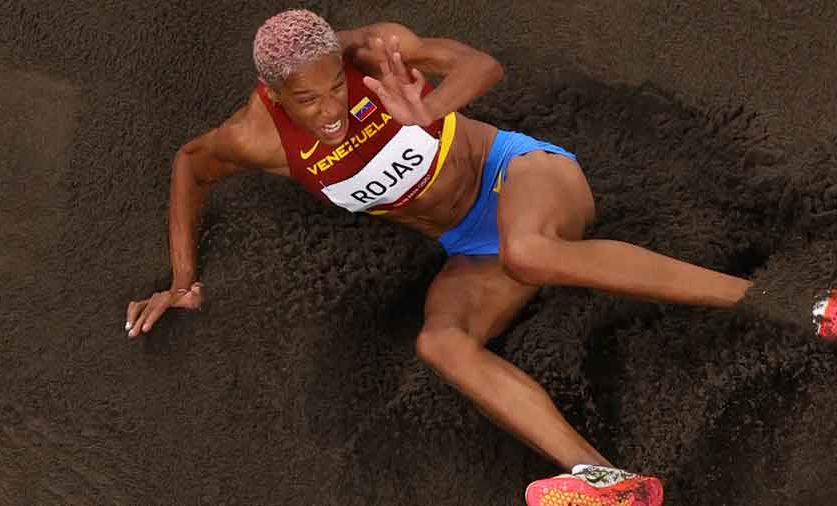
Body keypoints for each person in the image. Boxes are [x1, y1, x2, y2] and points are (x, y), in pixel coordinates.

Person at [125, 9, 835, 506]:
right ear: (273, 96)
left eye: (335, 87)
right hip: (469, 244)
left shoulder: (377, 50)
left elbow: (479, 64)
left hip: (526, 176)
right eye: (306, 101)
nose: (331, 109)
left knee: (529, 250)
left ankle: (793, 303)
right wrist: (184, 281)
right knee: (440, 341)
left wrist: (430, 113)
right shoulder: (253, 138)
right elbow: (188, 166)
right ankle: (604, 479)